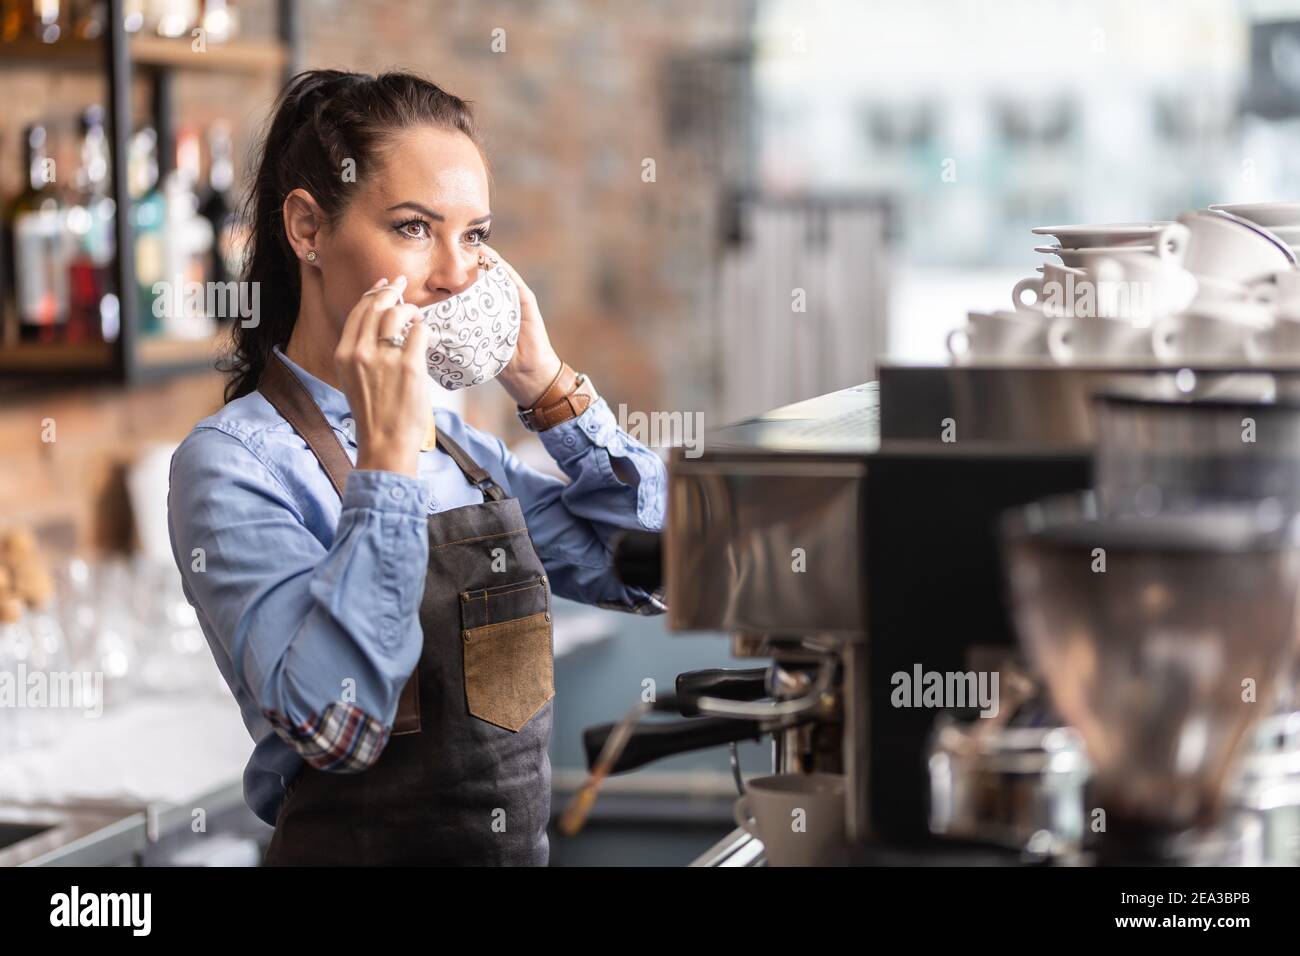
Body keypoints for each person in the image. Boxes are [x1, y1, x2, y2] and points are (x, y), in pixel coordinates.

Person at [166, 70, 667, 865]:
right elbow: (337, 726)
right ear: (308, 228)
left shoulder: (459, 447)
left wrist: (550, 389)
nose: (455, 273)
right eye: (412, 228)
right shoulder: (234, 465)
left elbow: (652, 566)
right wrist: (387, 465)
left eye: (474, 236)